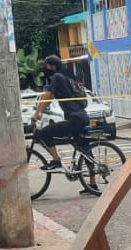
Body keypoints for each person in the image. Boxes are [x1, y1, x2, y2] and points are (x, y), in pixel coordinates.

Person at [30, 55, 98, 195]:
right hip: (81, 117)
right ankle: (92, 184)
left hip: (74, 119)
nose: (45, 69)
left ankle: (56, 161)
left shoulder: (57, 77)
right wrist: (43, 109)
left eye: (46, 66)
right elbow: (50, 99)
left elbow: (47, 96)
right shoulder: (67, 77)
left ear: (53, 66)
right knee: (84, 149)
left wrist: (38, 114)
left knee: (45, 133)